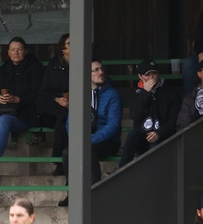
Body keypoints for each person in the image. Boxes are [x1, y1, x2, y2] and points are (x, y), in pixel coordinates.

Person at [58, 60, 122, 207]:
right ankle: (72, 194)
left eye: (101, 69)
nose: (101, 72)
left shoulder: (112, 94)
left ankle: (94, 193)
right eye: (96, 70)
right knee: (68, 152)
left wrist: (90, 140)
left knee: (87, 150)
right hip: (84, 140)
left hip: (107, 141)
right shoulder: (80, 94)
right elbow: (70, 122)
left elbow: (113, 125)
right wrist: (77, 139)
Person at [0, 37, 43, 176]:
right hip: (4, 110)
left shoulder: (35, 67)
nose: (16, 53)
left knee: (3, 120)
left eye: (19, 49)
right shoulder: (4, 69)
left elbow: (38, 95)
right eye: (13, 50)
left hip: (25, 114)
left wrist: (18, 99)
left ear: (25, 51)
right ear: (8, 52)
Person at [119, 60, 182, 168]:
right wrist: (145, 93)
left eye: (154, 73)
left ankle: (150, 180)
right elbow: (135, 115)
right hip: (143, 135)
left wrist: (159, 133)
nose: (152, 77)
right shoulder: (137, 93)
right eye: (148, 74)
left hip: (163, 136)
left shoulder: (171, 92)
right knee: (132, 136)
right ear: (140, 76)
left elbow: (173, 121)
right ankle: (121, 174)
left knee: (155, 148)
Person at [36, 34, 70, 175]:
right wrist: (57, 99)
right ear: (63, 49)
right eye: (70, 43)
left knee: (61, 122)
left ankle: (60, 162)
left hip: (76, 105)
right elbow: (44, 90)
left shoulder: (88, 61)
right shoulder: (54, 65)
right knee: (42, 101)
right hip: (54, 104)